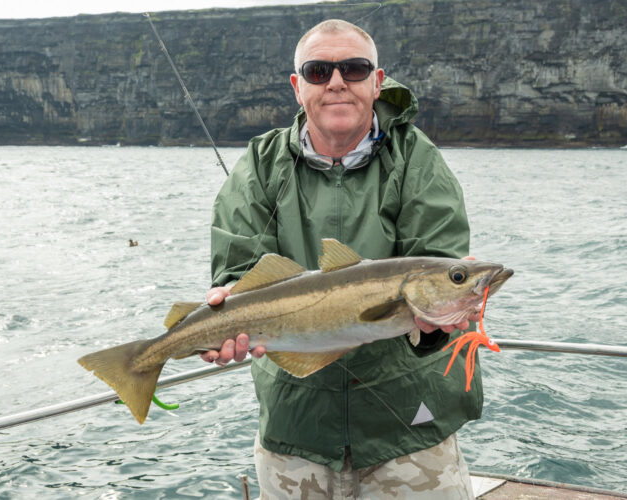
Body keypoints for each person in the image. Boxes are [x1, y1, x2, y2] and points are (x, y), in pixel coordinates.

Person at [201, 19, 481, 499]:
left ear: (377, 81)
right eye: (317, 70)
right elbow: (237, 271)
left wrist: (439, 325)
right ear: (297, 86)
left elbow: (440, 270)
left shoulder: (417, 160)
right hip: (296, 428)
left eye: (353, 69)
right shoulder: (261, 164)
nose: (336, 82)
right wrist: (224, 309)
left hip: (408, 430)